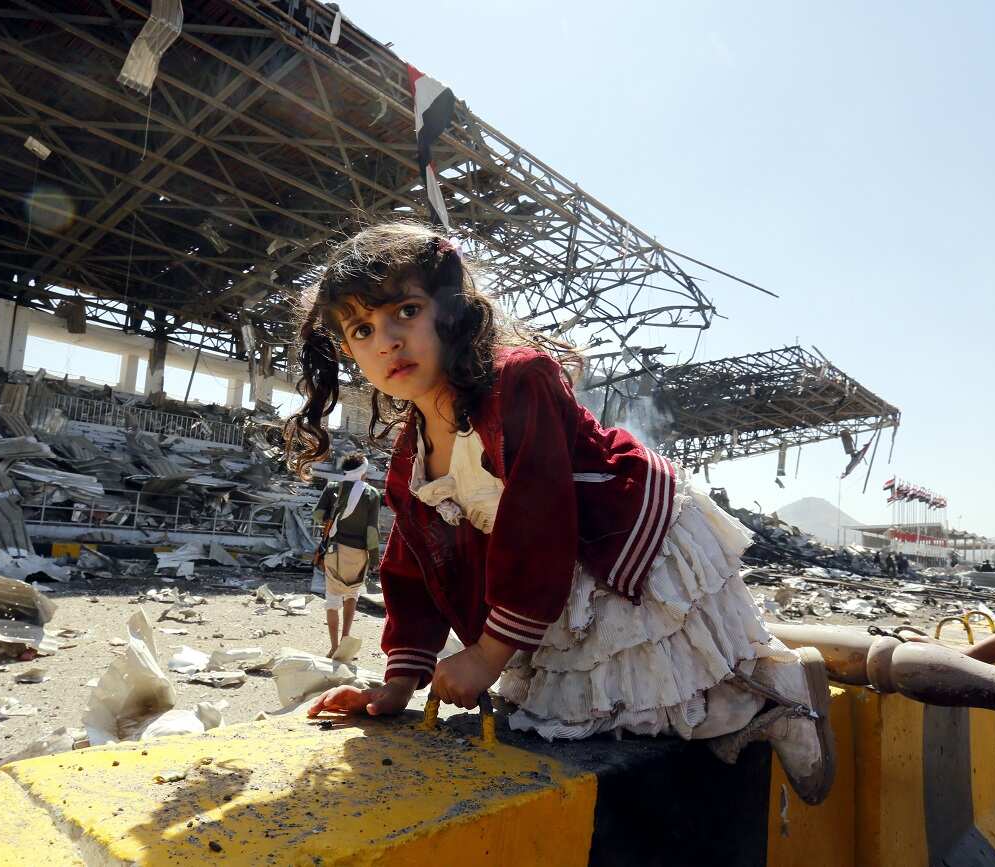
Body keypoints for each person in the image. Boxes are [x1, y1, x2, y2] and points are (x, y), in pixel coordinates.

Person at [285, 222, 836, 805]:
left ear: (451, 310)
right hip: (555, 579)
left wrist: (489, 655)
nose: (388, 341)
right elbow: (415, 563)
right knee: (605, 714)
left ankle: (781, 692)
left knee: (662, 696)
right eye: (363, 329)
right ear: (348, 353)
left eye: (407, 310)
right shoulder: (410, 454)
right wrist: (399, 682)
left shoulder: (520, 379)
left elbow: (539, 521)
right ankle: (750, 692)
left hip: (620, 544)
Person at [313, 453, 382, 657]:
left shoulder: (333, 487)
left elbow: (317, 515)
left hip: (334, 550)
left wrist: (332, 520)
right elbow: (371, 531)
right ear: (363, 471)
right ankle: (345, 641)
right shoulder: (371, 494)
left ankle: (333, 647)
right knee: (351, 595)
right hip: (358, 553)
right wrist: (375, 558)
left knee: (332, 600)